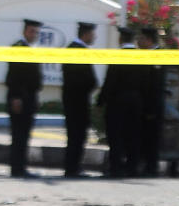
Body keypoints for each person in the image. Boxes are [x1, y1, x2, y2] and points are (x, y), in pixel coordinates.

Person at [97, 27, 144, 177]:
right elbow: (146, 82)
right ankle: (132, 167)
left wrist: (100, 101)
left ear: (120, 39)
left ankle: (115, 167)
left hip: (117, 102)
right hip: (136, 102)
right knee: (133, 135)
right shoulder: (141, 57)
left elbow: (110, 81)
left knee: (115, 135)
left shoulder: (118, 56)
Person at [6, 18, 43, 178]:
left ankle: (20, 166)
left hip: (29, 98)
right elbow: (13, 76)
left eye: (36, 32)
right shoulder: (18, 48)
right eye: (31, 31)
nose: (34, 34)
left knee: (24, 134)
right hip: (20, 99)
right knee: (19, 134)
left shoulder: (29, 48)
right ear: (24, 31)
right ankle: (17, 168)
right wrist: (15, 98)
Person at [61, 21, 98, 178]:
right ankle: (73, 168)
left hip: (73, 100)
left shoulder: (71, 48)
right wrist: (92, 84)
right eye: (92, 34)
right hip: (77, 100)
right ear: (86, 34)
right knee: (77, 135)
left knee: (75, 135)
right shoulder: (79, 50)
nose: (94, 37)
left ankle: (72, 166)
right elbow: (83, 79)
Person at [138, 27, 165, 177]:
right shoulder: (148, 54)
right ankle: (147, 165)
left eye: (141, 38)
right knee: (146, 138)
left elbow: (155, 85)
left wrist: (151, 109)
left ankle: (151, 167)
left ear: (148, 40)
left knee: (152, 138)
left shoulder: (157, 55)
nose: (139, 42)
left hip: (152, 106)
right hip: (146, 105)